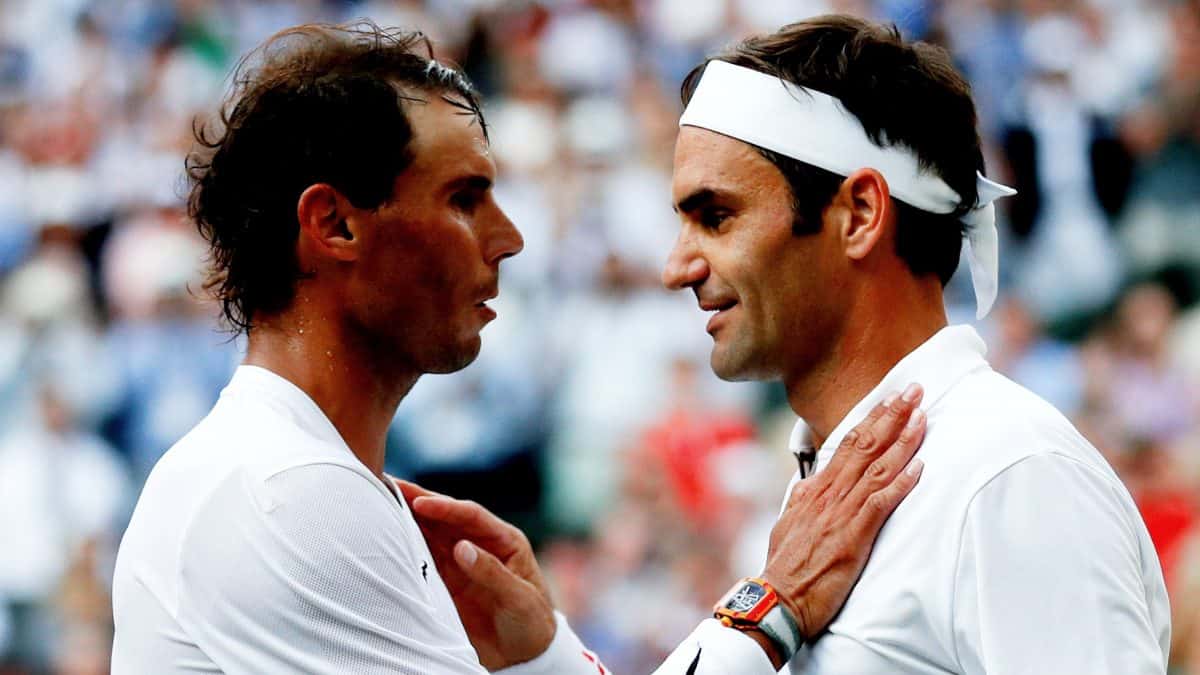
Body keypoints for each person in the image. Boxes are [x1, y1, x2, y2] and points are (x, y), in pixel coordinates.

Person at [109, 22, 928, 674]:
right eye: (465, 199)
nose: (508, 238)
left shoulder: (289, 474)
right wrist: (770, 605)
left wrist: (541, 651)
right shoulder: (286, 490)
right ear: (335, 224)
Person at [414, 14, 1172, 675]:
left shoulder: (1009, 475)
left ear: (861, 214)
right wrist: (547, 656)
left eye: (716, 216)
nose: (676, 265)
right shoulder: (843, 477)